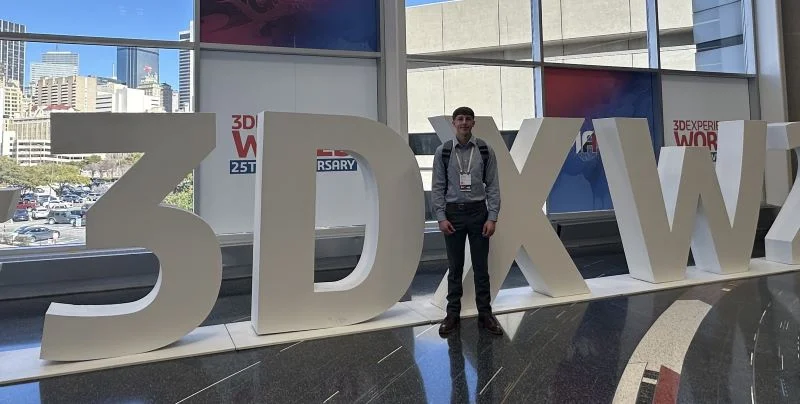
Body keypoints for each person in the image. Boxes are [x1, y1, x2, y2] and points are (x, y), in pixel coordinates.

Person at [431, 106, 503, 336]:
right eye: (460, 119)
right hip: (453, 214)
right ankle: (452, 314)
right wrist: (441, 217)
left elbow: (493, 185)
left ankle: (485, 314)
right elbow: (438, 187)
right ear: (453, 123)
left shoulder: (485, 150)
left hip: (478, 213)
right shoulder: (443, 151)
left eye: (468, 119)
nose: (464, 122)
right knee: (455, 267)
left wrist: (492, 217)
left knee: (481, 267)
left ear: (473, 123)